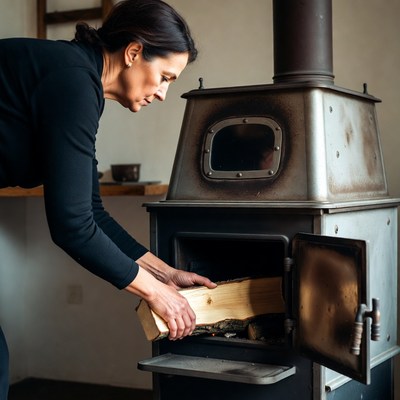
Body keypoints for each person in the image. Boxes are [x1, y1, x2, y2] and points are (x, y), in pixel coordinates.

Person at [0, 0, 217, 397]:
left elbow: (91, 210)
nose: (165, 93)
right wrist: (156, 294)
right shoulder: (72, 80)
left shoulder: (78, 80)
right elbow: (71, 226)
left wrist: (164, 274)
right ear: (134, 52)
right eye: (165, 76)